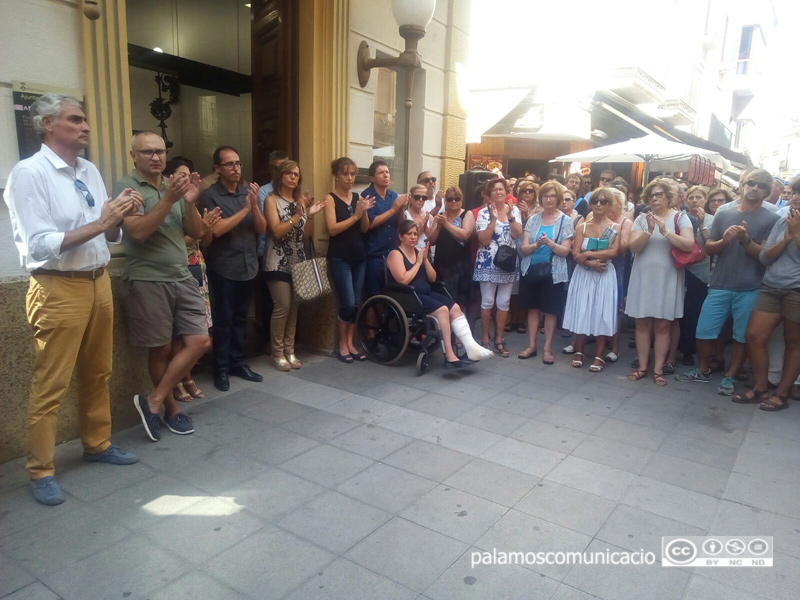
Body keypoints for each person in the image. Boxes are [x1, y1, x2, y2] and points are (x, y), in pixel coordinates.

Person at [4, 93, 140, 505]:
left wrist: (117, 219)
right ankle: (41, 469)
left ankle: (97, 443)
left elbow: (109, 233)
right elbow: (41, 243)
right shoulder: (29, 174)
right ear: (47, 124)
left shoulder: (90, 170)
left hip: (98, 282)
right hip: (57, 286)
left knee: (99, 372)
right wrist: (103, 221)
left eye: (85, 120)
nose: (85, 127)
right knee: (51, 383)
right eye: (75, 119)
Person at [117, 133, 215, 442]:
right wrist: (169, 200)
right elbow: (138, 233)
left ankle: (153, 400)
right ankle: (171, 409)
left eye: (160, 151)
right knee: (160, 347)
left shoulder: (174, 185)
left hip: (181, 275)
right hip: (148, 278)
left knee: (200, 341)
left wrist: (188, 203)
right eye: (147, 152)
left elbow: (197, 232)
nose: (155, 157)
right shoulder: (126, 187)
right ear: (134, 155)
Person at [676, 169, 779, 395]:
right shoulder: (724, 213)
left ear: (768, 192)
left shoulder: (772, 219)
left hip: (750, 287)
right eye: (751, 183)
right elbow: (708, 248)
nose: (755, 188)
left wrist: (744, 240)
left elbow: (765, 256)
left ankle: (730, 376)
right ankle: (702, 369)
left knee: (741, 336)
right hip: (719, 283)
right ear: (742, 185)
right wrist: (726, 240)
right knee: (704, 331)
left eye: (761, 185)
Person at [199, 146, 266, 390]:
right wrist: (245, 210)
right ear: (217, 168)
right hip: (224, 267)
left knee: (241, 318)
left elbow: (261, 229)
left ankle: (239, 362)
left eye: (238, 163)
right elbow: (215, 230)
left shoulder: (248, 192)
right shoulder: (208, 196)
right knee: (224, 320)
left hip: (249, 265)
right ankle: (221, 369)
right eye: (229, 164)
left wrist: (255, 207)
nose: (236, 168)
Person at [387, 220, 492, 366]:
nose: (413, 237)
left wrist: (425, 260)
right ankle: (449, 355)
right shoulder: (395, 254)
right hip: (408, 296)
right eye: (409, 234)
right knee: (443, 310)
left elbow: (432, 277)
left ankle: (470, 347)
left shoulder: (418, 253)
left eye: (415, 234)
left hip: (426, 293)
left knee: (455, 308)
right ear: (400, 236)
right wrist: (417, 263)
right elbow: (403, 280)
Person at [626, 180, 694, 386]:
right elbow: (634, 247)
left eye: (659, 195)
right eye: (651, 196)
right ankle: (642, 367)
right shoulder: (640, 218)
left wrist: (664, 231)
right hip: (643, 276)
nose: (655, 198)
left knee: (664, 324)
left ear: (668, 198)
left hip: (668, 277)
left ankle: (658, 370)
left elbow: (688, 244)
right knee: (642, 322)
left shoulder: (680, 217)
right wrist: (648, 230)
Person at [163, 157, 220, 402]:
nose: (187, 179)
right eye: (181, 175)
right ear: (169, 178)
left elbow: (204, 241)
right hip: (178, 269)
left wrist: (206, 228)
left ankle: (188, 376)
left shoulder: (191, 205)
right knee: (181, 333)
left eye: (189, 175)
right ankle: (179, 380)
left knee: (199, 329)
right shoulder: (167, 205)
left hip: (198, 267)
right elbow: (174, 243)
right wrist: (200, 230)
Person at [264, 160, 326, 371]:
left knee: (294, 308)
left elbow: (305, 235)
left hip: (298, 261)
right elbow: (276, 231)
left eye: (296, 174)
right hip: (277, 261)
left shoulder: (300, 201)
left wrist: (309, 214)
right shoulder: (272, 200)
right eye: (289, 173)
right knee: (282, 307)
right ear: (280, 176)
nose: (293, 177)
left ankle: (290, 351)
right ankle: (277, 352)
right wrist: (299, 214)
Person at [743, 183, 800, 411]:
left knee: (794, 343)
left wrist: (796, 233)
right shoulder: (783, 218)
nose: (796, 197)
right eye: (796, 192)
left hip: (797, 291)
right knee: (754, 336)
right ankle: (760, 387)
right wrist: (786, 238)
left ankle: (782, 393)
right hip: (771, 286)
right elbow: (765, 257)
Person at [563, 188, 620, 372]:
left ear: (610, 205)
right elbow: (575, 254)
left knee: (602, 312)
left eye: (604, 201)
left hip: (604, 275)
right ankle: (579, 351)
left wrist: (588, 253)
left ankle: (599, 354)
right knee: (582, 309)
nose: (599, 204)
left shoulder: (615, 228)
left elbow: (614, 252)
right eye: (596, 201)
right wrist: (590, 262)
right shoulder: (582, 227)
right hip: (584, 274)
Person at [518, 181, 574, 364]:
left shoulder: (566, 221)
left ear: (558, 198)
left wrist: (549, 243)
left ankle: (547, 348)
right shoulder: (534, 219)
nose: (548, 199)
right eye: (545, 196)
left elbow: (565, 251)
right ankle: (532, 345)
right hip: (531, 270)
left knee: (550, 311)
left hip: (554, 273)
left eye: (552, 196)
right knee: (532, 309)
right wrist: (537, 245)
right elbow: (523, 249)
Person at [323, 157, 373, 363]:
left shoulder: (357, 197)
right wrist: (355, 215)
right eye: (345, 174)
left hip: (359, 257)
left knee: (356, 304)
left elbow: (365, 228)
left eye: (352, 174)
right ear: (336, 176)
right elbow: (332, 229)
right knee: (348, 302)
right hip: (340, 258)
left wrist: (363, 212)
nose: (350, 178)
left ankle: (351, 343)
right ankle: (342, 345)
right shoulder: (330, 199)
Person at [473, 178, 522, 356]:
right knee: (487, 301)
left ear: (506, 191)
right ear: (489, 193)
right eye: (495, 190)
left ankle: (499, 339)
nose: (499, 192)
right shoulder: (483, 213)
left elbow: (518, 234)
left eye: (502, 189)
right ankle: (485, 338)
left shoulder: (514, 210)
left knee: (504, 302)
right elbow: (483, 239)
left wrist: (509, 217)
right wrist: (493, 220)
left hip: (507, 262)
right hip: (488, 262)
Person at [677, 186, 712, 366]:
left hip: (699, 273)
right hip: (677, 270)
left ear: (705, 200)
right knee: (675, 310)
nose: (695, 200)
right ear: (685, 199)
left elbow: (712, 245)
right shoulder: (678, 217)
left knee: (692, 312)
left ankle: (688, 350)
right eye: (691, 197)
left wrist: (702, 224)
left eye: (699, 197)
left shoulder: (712, 220)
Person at [256, 150, 289, 339]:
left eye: (286, 168)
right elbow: (272, 227)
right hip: (268, 252)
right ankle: (268, 342)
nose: (282, 173)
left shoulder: (296, 193)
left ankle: (288, 346)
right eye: (278, 168)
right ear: (271, 169)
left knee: (290, 304)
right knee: (272, 302)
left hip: (293, 254)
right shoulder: (264, 192)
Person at [362, 160, 406, 297]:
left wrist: (401, 208)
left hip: (393, 253)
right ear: (372, 178)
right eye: (381, 173)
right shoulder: (366, 195)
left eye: (387, 172)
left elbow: (401, 224)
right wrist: (393, 209)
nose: (386, 175)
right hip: (375, 254)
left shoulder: (393, 195)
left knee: (392, 294)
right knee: (374, 295)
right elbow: (369, 224)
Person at [428, 185, 475, 310]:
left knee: (460, 303)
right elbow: (431, 241)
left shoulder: (467, 214)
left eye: (457, 198)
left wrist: (446, 225)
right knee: (442, 300)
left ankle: (458, 328)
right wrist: (438, 226)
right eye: (450, 199)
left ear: (461, 200)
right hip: (442, 266)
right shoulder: (441, 216)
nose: (453, 201)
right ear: (445, 201)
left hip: (460, 267)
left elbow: (465, 234)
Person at [405, 184, 433, 249]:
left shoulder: (429, 217)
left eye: (424, 198)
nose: (420, 200)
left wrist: (425, 226)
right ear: (411, 198)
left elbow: (431, 239)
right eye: (417, 197)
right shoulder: (405, 216)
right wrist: (420, 229)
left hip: (426, 253)